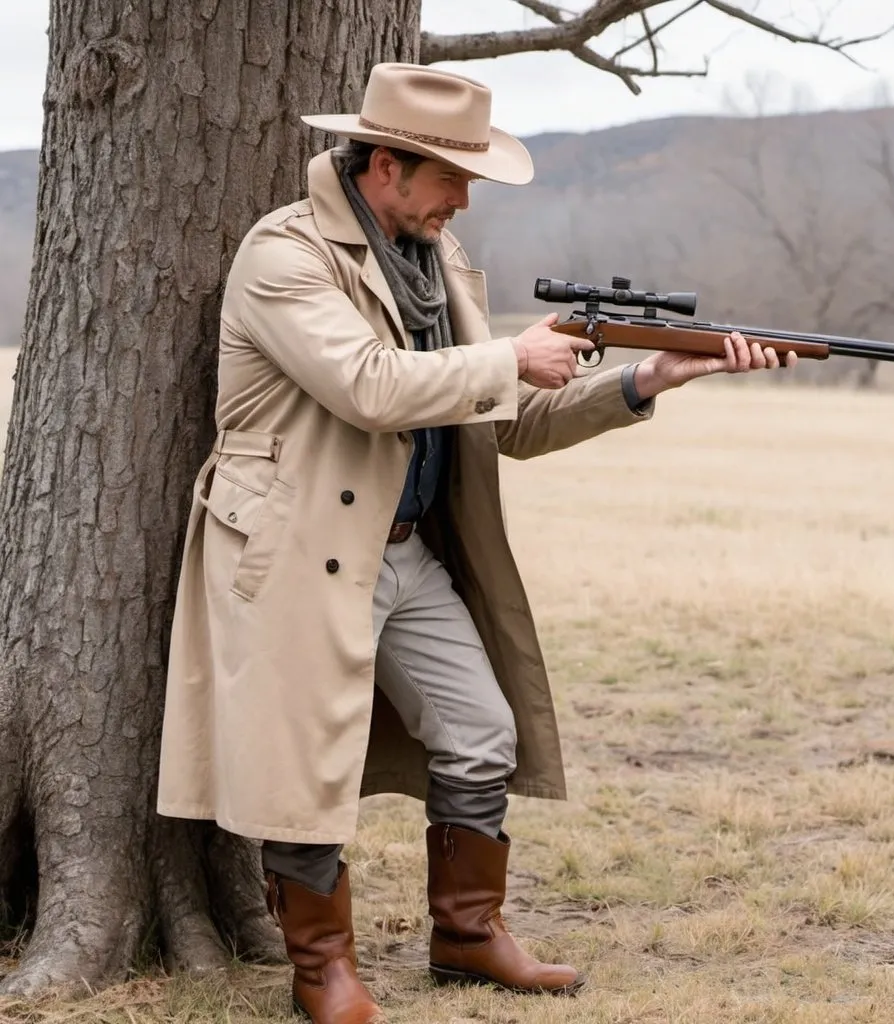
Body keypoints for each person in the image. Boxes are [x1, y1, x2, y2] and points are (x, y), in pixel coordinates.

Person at [156, 62, 795, 1024]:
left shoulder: (437, 262)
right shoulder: (284, 254)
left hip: (406, 550)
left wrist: (648, 380)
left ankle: (465, 936)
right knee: (301, 773)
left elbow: (510, 421)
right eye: (452, 177)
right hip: (295, 551)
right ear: (385, 164)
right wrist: (509, 356)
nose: (465, 198)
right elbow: (368, 386)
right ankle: (322, 971)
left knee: (482, 732)